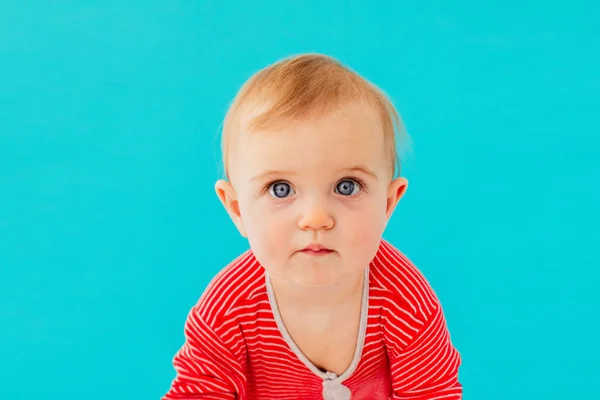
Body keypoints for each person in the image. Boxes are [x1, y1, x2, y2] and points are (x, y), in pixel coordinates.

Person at [162, 53, 462, 399]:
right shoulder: (228, 309)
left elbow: (432, 393)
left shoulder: (406, 303)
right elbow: (196, 392)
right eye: (281, 189)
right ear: (237, 208)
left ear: (388, 204)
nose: (316, 218)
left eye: (346, 186)